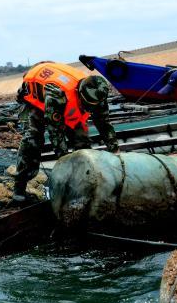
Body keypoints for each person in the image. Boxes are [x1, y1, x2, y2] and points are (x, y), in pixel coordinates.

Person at [13, 61, 119, 203]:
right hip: (34, 102)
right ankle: (19, 189)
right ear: (80, 94)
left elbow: (104, 124)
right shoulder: (57, 94)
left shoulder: (99, 94)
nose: (90, 109)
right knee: (33, 139)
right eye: (86, 105)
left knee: (82, 142)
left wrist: (115, 150)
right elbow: (55, 131)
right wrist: (64, 161)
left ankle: (86, 185)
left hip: (66, 107)